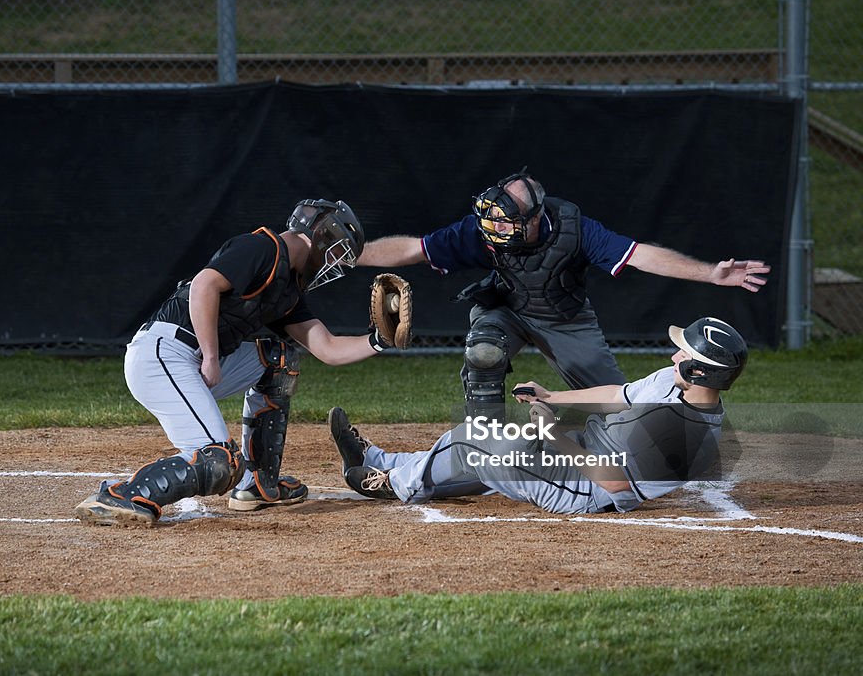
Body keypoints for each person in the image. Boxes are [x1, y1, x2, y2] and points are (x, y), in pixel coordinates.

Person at [76, 199, 400, 526]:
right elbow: (204, 284)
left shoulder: (288, 288)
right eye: (336, 252)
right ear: (319, 237)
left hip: (192, 360)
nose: (334, 264)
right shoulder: (264, 248)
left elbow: (327, 347)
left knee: (279, 361)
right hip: (164, 355)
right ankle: (121, 495)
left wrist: (380, 340)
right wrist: (212, 356)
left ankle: (257, 484)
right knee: (219, 461)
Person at [359, 169, 768, 420]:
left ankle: (672, 436)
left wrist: (711, 273)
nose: (495, 231)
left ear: (536, 218)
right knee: (483, 351)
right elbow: (415, 248)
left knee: (619, 411)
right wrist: (351, 256)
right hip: (508, 309)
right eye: (491, 222)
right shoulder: (482, 229)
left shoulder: (575, 229)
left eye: (507, 223)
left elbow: (640, 255)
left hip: (565, 319)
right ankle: (485, 440)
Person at [329, 316, 746, 515]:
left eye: (684, 354)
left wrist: (553, 434)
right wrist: (554, 395)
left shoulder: (686, 436)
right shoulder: (676, 383)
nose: (674, 355)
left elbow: (615, 482)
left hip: (586, 491)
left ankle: (393, 484)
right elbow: (618, 394)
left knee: (476, 439)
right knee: (492, 452)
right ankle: (383, 461)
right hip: (582, 455)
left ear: (698, 371)